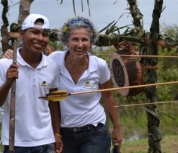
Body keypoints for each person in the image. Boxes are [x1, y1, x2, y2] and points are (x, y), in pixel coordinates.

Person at [2, 16, 123, 153]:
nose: (80, 44)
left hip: (94, 130)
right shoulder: (54, 61)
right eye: (75, 39)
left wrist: (117, 128)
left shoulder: (99, 65)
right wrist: (11, 52)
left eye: (84, 40)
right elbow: (34, 60)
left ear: (91, 42)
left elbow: (108, 96)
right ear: (66, 41)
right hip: (64, 132)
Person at [0, 14, 62, 153]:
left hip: (47, 142)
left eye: (45, 34)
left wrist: (57, 133)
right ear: (21, 34)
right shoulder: (5, 64)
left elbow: (53, 102)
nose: (40, 38)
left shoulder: (52, 65)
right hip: (15, 142)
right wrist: (8, 81)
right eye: (34, 32)